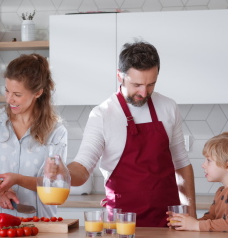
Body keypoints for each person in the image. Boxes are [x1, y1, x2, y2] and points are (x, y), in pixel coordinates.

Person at [66, 41, 196, 227]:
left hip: (168, 221)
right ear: (120, 75)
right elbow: (83, 167)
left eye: (151, 84)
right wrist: (62, 173)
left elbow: (182, 164)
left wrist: (191, 216)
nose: (144, 92)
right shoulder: (102, 114)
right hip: (122, 225)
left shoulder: (168, 107)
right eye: (137, 85)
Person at [0, 53, 68, 218]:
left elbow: (54, 185)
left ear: (37, 93)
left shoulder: (55, 132)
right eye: (7, 91)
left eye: (17, 94)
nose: (9, 99)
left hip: (37, 223)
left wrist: (19, 179)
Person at [169, 131, 228, 232]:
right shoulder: (221, 191)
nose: (203, 165)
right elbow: (211, 217)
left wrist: (195, 225)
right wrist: (187, 223)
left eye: (209, 160)